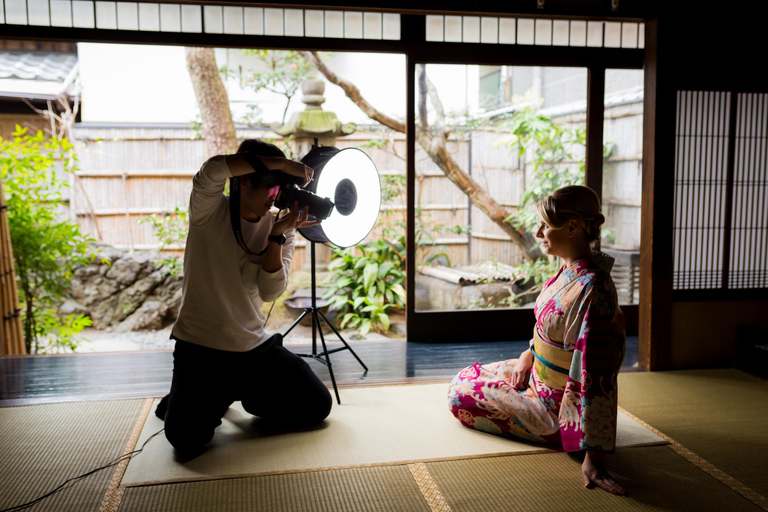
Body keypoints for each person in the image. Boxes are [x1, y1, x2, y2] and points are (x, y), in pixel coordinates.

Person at [156, 139, 333, 459]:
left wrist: (278, 235)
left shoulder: (282, 224)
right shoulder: (209, 210)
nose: (275, 196)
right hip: (200, 350)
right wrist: (283, 164)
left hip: (253, 349)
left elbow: (270, 292)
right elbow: (211, 170)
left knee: (317, 405)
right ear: (243, 179)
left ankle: (231, 394)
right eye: (270, 186)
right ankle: (203, 396)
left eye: (280, 189)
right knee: (185, 440)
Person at [447, 185, 628, 496]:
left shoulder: (594, 290)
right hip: (535, 374)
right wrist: (527, 355)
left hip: (556, 407)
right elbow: (548, 333)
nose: (538, 231)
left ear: (572, 228)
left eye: (546, 225)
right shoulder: (570, 270)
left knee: (459, 396)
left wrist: (593, 456)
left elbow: (598, 375)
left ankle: (565, 434)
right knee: (464, 377)